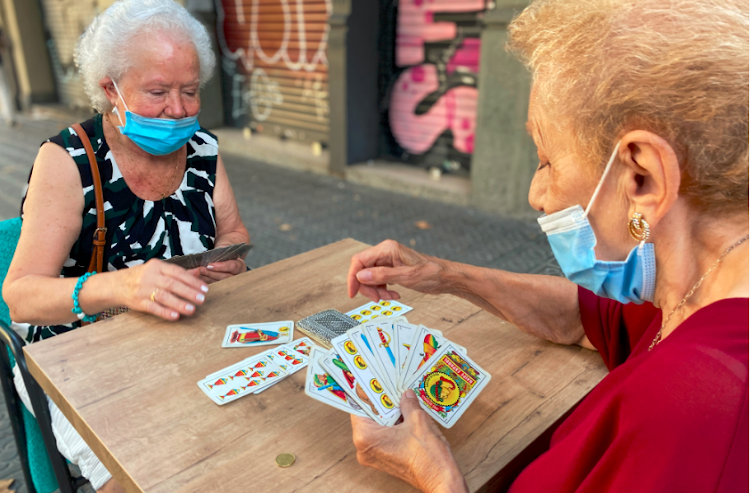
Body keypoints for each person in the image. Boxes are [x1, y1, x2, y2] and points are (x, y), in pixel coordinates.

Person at [346, 0, 748, 491]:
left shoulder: (694, 404)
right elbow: (585, 318)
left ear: (642, 176)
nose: (537, 196)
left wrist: (434, 474)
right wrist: (445, 275)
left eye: (547, 160)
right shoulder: (700, 290)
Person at [1, 0, 249, 491]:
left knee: (242, 441)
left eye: (190, 91)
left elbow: (234, 235)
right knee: (145, 476)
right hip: (75, 359)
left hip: (181, 333)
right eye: (158, 91)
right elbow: (20, 295)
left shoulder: (202, 149)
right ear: (110, 88)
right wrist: (124, 285)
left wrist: (229, 262)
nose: (178, 109)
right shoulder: (68, 160)